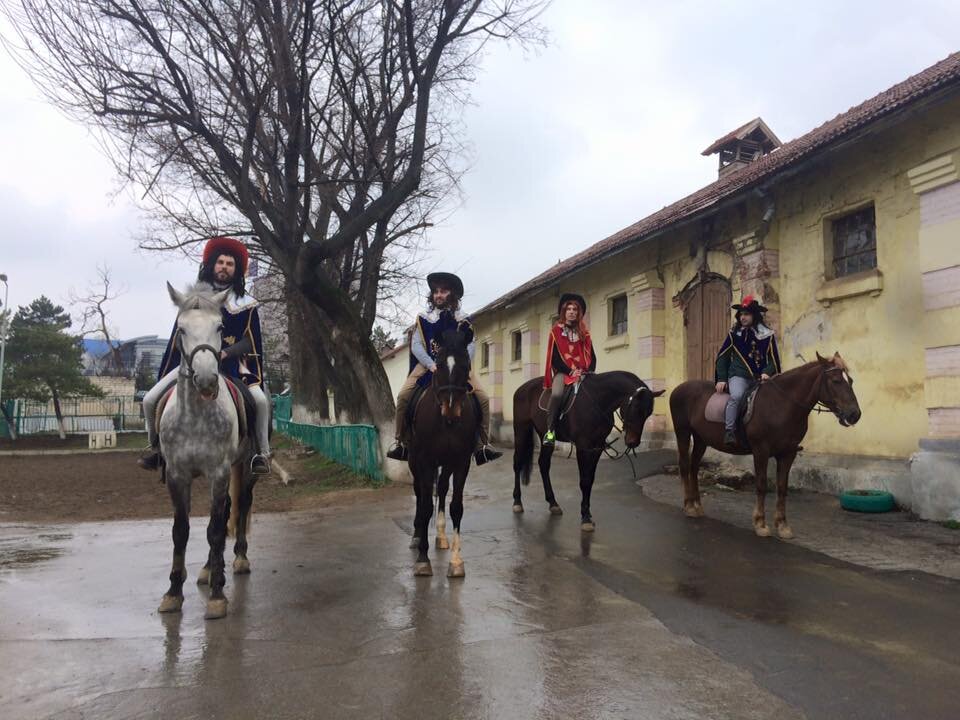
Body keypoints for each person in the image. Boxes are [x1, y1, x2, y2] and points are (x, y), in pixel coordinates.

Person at [139, 236, 272, 474]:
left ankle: (261, 453)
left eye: (230, 264)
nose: (224, 267)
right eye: (220, 262)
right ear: (212, 265)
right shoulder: (193, 300)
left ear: (237, 270)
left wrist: (225, 353)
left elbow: (250, 341)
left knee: (261, 402)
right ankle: (156, 449)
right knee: (149, 399)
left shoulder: (246, 303)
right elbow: (178, 337)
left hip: (234, 367)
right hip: (191, 365)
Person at [386, 272, 502, 465]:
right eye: (436, 291)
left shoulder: (463, 320)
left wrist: (462, 364)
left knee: (483, 399)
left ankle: (482, 445)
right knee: (403, 396)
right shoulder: (423, 318)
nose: (438, 295)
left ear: (453, 294)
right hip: (428, 366)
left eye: (444, 291)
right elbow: (416, 346)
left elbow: (471, 344)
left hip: (457, 367)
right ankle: (401, 442)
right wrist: (431, 365)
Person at [714, 294, 782, 447]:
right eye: (741, 314)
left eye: (747, 314)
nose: (743, 317)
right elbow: (722, 358)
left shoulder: (767, 335)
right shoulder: (734, 334)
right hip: (739, 376)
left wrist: (767, 371)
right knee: (737, 397)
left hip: (760, 378)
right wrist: (722, 379)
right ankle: (730, 431)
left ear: (755, 316)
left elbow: (772, 360)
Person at [542, 293, 596, 445]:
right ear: (564, 312)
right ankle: (550, 431)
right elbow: (555, 358)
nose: (572, 312)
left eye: (575, 309)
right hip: (564, 373)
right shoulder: (556, 332)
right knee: (557, 394)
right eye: (569, 309)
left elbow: (592, 356)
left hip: (584, 371)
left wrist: (588, 371)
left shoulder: (585, 333)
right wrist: (571, 371)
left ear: (579, 313)